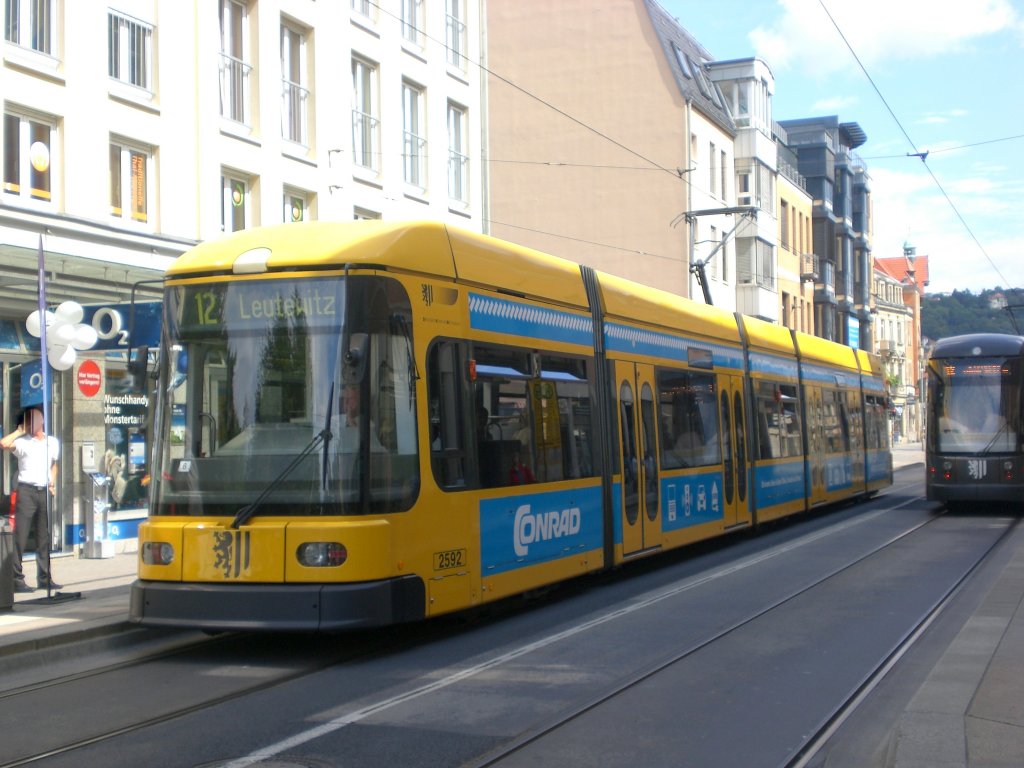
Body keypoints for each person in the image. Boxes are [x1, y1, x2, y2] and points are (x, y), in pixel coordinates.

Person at [0, 408, 61, 592]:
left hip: (43, 491)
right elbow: (3, 443)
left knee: (44, 536)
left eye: (35, 418)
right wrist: (20, 430)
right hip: (26, 490)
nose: (33, 422)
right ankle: (17, 579)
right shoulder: (22, 442)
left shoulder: (52, 442)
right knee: (21, 536)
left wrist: (53, 483)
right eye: (29, 420)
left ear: (42, 419)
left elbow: (54, 464)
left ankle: (45, 578)